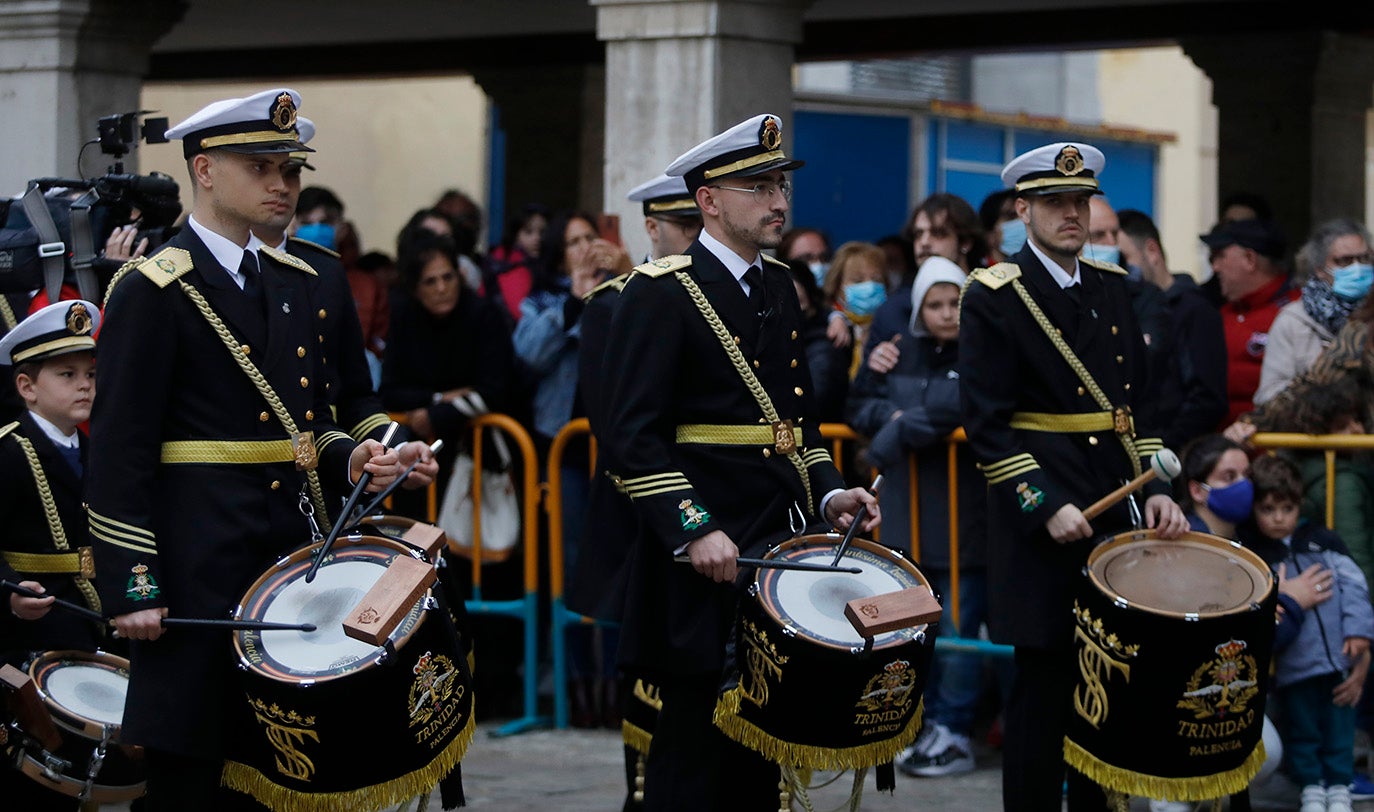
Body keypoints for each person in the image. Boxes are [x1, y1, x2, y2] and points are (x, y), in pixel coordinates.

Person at [86, 88, 409, 808]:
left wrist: (369, 450)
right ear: (204, 171)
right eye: (262, 167)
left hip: (289, 560)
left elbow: (342, 406)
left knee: (283, 770)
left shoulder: (306, 280)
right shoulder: (152, 288)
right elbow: (119, 452)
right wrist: (134, 582)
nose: (283, 185)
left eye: (290, 171)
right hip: (194, 564)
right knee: (191, 774)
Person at [599, 113, 879, 811]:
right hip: (701, 550)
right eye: (757, 186)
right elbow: (632, 436)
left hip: (771, 546)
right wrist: (693, 527)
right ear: (709, 201)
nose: (778, 200)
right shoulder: (661, 291)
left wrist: (831, 493)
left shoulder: (779, 286)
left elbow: (797, 425)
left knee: (761, 748)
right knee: (691, 753)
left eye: (780, 183)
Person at [958, 141, 1187, 812]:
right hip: (1041, 522)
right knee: (1042, 688)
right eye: (1054, 203)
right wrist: (1043, 503)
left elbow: (1138, 409)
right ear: (1021, 210)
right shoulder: (995, 296)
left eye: (1080, 202)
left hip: (1113, 513)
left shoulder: (1111, 288)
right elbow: (988, 424)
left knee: (1106, 684)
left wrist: (1160, 489)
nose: (1071, 215)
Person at [846, 255, 993, 778]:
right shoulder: (896, 351)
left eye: (956, 302)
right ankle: (910, 720)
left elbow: (967, 406)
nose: (947, 313)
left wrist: (899, 432)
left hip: (965, 520)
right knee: (905, 626)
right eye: (935, 304)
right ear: (918, 309)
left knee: (958, 627)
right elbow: (859, 405)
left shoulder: (984, 351)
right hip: (907, 518)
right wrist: (893, 419)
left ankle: (953, 728)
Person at [0, 301, 109, 810]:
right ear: (27, 387)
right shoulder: (7, 451)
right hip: (37, 625)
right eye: (67, 374)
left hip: (98, 617)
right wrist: (8, 594)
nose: (85, 385)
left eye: (90, 372)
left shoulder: (100, 450)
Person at [1248, 454, 1374, 812]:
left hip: (1339, 657)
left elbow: (1354, 586)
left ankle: (1339, 787)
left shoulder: (1324, 541)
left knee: (1340, 728)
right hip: (1294, 664)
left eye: (1286, 508)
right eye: (1268, 508)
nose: (1277, 517)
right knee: (1303, 730)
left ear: (1300, 505)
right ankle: (1310, 789)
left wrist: (1360, 632)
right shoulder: (1260, 556)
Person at [1115, 209, 1228, 451]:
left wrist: (1163, 450)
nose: (1117, 267)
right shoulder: (1122, 308)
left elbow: (1206, 400)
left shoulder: (1194, 310)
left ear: (1152, 251)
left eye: (1123, 257)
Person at [1255, 218, 1373, 405]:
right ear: (1319, 269)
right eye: (1344, 261)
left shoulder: (1370, 317)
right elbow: (1267, 396)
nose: (1357, 268)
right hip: (1315, 429)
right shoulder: (1293, 321)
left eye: (1364, 259)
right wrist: (1318, 385)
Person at [1200, 217, 1299, 425]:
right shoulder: (1220, 313)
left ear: (1249, 259)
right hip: (1217, 446)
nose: (1215, 267)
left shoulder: (1297, 313)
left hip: (1273, 445)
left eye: (1221, 256)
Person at [821, 240, 889, 376]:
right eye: (858, 281)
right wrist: (835, 317)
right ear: (837, 286)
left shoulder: (891, 326)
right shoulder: (827, 324)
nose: (869, 286)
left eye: (876, 279)